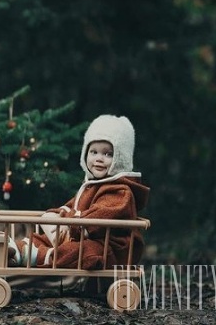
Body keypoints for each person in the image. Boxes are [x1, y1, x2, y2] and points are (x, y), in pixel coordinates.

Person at [9, 114, 149, 269]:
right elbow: (72, 206)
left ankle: (42, 256)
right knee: (44, 239)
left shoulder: (120, 191)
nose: (99, 159)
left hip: (111, 250)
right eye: (93, 152)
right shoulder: (91, 185)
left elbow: (98, 218)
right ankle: (17, 249)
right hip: (81, 236)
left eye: (108, 154)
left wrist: (68, 223)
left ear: (121, 159)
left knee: (84, 251)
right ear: (85, 154)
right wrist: (56, 214)